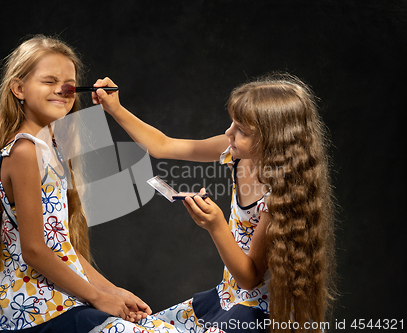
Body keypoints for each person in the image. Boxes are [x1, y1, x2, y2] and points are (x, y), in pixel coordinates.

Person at [93, 74, 337, 333]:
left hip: (257, 313)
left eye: (241, 130)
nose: (228, 132)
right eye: (232, 123)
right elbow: (163, 145)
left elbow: (250, 278)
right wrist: (115, 108)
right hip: (227, 298)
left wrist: (216, 225)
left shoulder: (280, 195)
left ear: (273, 140)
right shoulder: (235, 154)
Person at [0, 35, 179, 333]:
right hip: (40, 312)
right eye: (48, 81)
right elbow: (35, 250)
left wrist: (112, 291)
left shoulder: (51, 149)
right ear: (19, 89)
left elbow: (60, 244)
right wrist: (98, 298)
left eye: (68, 83)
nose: (61, 90)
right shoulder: (25, 151)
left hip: (64, 302)